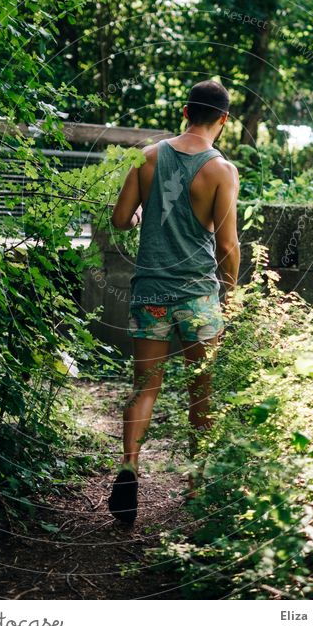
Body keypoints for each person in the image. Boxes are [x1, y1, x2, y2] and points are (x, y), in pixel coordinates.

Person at [107, 79, 240, 523]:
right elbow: (228, 245)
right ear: (222, 119)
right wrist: (232, 292)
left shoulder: (147, 157)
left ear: (185, 111)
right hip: (198, 295)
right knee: (201, 393)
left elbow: (121, 219)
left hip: (151, 292)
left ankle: (129, 465)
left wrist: (145, 212)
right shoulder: (221, 170)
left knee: (144, 388)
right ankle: (196, 486)